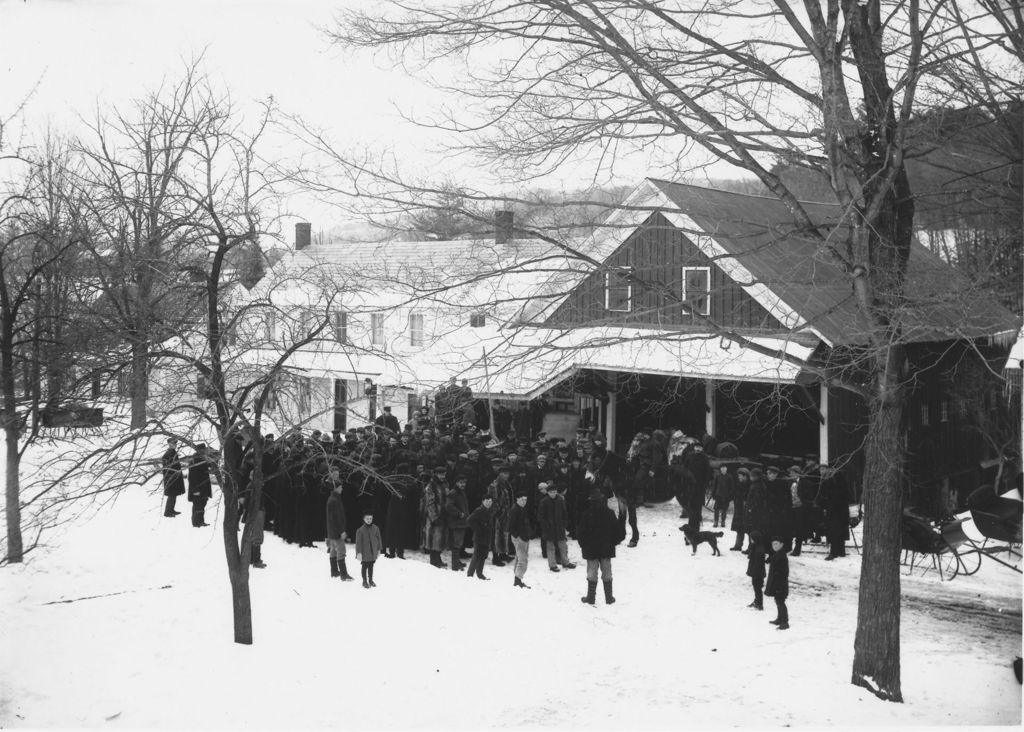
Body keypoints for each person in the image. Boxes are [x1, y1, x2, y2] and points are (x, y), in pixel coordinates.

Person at [576, 489, 626, 605]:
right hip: (606, 549)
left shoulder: (587, 514)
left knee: (592, 573)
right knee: (607, 573)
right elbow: (617, 532)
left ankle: (591, 598)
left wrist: (584, 546)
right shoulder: (609, 513)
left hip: (591, 550)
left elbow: (580, 533)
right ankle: (609, 598)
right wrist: (612, 543)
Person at [537, 482, 576, 572]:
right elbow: (540, 517)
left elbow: (565, 513)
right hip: (549, 529)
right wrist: (546, 526)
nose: (553, 494)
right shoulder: (543, 502)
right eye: (551, 492)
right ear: (548, 492)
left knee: (563, 546)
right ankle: (552, 565)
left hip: (559, 528)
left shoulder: (560, 500)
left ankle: (565, 562)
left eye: (554, 492)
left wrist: (564, 523)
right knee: (550, 548)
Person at [326, 476, 355, 581]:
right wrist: (341, 531)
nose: (342, 488)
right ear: (335, 488)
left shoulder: (331, 499)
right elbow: (337, 518)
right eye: (340, 487)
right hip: (337, 532)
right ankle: (343, 574)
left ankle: (334, 571)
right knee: (341, 551)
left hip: (332, 532)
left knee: (333, 551)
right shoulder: (334, 501)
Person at [445, 474, 471, 571]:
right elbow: (448, 506)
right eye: (461, 482)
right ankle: (455, 565)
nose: (463, 484)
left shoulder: (461, 492)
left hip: (461, 522)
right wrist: (459, 514)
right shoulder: (453, 493)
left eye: (464, 483)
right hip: (457, 523)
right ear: (456, 483)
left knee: (459, 543)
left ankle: (457, 561)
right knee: (456, 544)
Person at [466, 495, 494, 580]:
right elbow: (469, 520)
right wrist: (478, 530)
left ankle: (479, 573)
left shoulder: (489, 511)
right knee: (477, 555)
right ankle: (470, 574)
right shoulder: (479, 510)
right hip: (479, 538)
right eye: (487, 501)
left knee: (483, 556)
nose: (488, 503)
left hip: (486, 537)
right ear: (483, 501)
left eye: (490, 502)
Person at [765, 536, 790, 629]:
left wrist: (779, 586)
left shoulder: (781, 556)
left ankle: (784, 622)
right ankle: (779, 619)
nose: (774, 546)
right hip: (777, 584)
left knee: (780, 602)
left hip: (780, 584)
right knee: (778, 601)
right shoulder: (777, 554)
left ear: (781, 544)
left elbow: (783, 573)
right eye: (772, 544)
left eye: (776, 544)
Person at [508, 490, 531, 588]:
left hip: (524, 537)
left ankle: (517, 579)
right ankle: (518, 580)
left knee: (519, 558)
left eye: (525, 500)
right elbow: (510, 526)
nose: (524, 502)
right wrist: (518, 536)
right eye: (522, 500)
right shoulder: (514, 510)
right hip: (520, 538)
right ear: (517, 499)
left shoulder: (522, 509)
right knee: (523, 560)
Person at [355, 512, 383, 588]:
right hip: (364, 552)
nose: (369, 520)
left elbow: (379, 539)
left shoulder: (376, 528)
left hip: (373, 552)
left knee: (371, 566)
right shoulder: (360, 530)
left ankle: (370, 580)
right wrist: (359, 553)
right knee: (364, 566)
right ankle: (364, 581)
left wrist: (379, 549)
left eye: (370, 518)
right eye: (367, 519)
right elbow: (358, 543)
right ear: (364, 519)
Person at [187, 444, 213, 528]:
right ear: (200, 450)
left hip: (204, 488)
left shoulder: (202, 459)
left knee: (202, 505)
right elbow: (191, 477)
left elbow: (206, 467)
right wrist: (195, 490)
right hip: (198, 489)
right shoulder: (194, 461)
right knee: (197, 506)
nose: (205, 451)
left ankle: (201, 521)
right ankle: (196, 522)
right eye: (204, 449)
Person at [161, 437, 185, 517]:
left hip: (175, 477)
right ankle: (167, 512)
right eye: (173, 443)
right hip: (171, 477)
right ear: (169, 444)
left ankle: (171, 510)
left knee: (173, 495)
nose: (175, 445)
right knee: (171, 495)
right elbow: (166, 466)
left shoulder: (173, 452)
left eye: (175, 443)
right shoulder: (168, 453)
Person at [730, 467, 750, 551]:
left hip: (746, 511)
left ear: (745, 476)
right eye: (738, 476)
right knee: (739, 529)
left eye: (741, 476)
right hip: (739, 510)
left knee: (749, 530)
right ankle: (738, 545)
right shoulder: (739, 484)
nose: (739, 478)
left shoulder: (749, 485)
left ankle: (750, 547)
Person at [745, 530, 766, 610]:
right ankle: (756, 601)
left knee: (757, 588)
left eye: (752, 539)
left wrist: (755, 573)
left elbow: (759, 564)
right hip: (756, 572)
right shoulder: (756, 546)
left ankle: (759, 604)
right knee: (756, 587)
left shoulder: (759, 550)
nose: (751, 540)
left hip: (757, 573)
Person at [712, 463, 735, 528]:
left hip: (726, 496)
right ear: (720, 470)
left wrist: (730, 496)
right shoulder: (718, 476)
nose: (723, 470)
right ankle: (715, 522)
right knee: (716, 509)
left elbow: (732, 487)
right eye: (722, 469)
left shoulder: (730, 477)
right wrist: (713, 494)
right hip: (718, 496)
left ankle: (723, 522)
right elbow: (715, 486)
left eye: (724, 469)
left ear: (726, 469)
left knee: (724, 510)